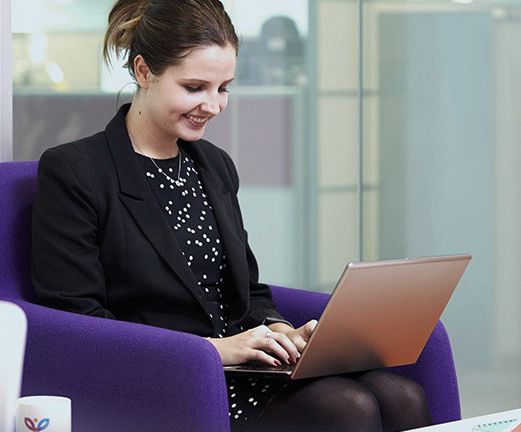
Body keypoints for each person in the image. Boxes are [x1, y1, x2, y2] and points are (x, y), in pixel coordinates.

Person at [31, 1, 433, 430]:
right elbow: (77, 324)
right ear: (144, 72)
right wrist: (215, 350)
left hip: (244, 366)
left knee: (402, 395)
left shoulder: (214, 165)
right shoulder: (76, 171)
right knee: (347, 406)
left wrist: (283, 332)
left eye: (223, 88)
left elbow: (249, 292)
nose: (214, 105)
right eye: (194, 87)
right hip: (164, 375)